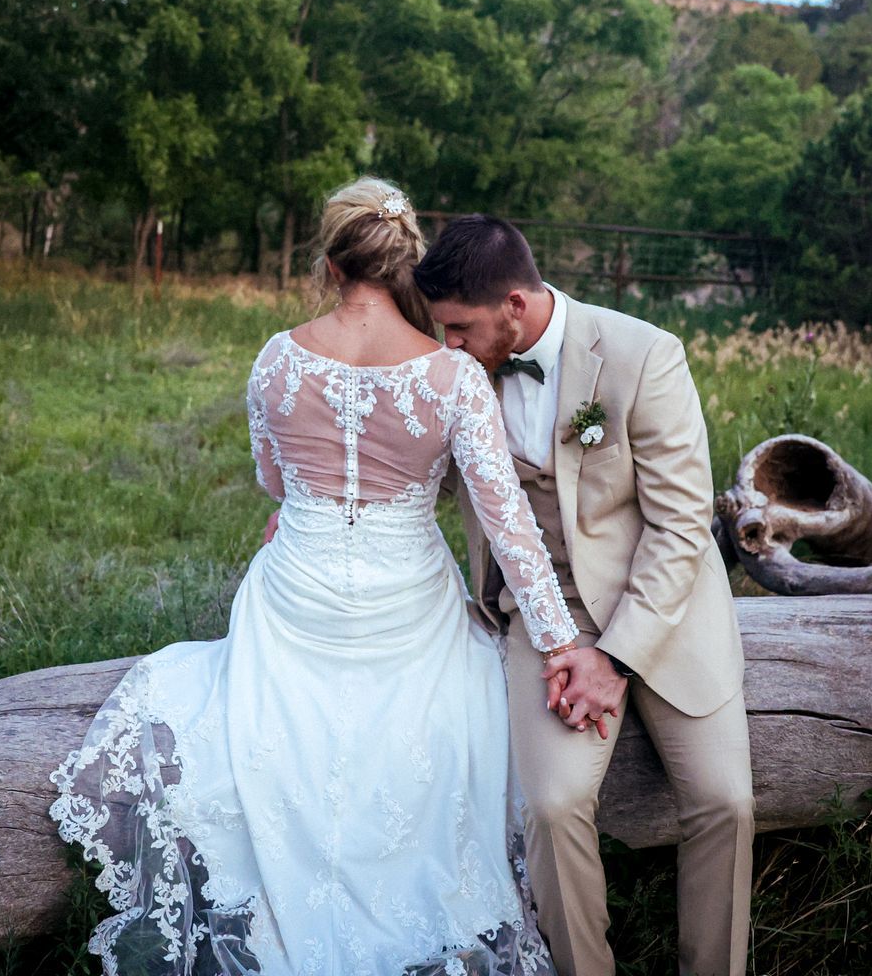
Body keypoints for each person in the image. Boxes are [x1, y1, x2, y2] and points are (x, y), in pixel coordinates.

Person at [49, 178, 584, 975]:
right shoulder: (453, 377)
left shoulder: (276, 358)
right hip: (409, 599)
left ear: (331, 266)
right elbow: (511, 530)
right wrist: (563, 642)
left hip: (295, 592)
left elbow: (274, 480)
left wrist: (309, 498)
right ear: (403, 258)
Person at [414, 215, 753, 976]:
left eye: (460, 328)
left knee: (726, 805)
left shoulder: (643, 355)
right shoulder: (461, 371)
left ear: (514, 303)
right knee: (553, 807)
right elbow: (411, 471)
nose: (450, 347)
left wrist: (616, 658)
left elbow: (681, 528)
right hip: (544, 613)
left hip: (663, 611)